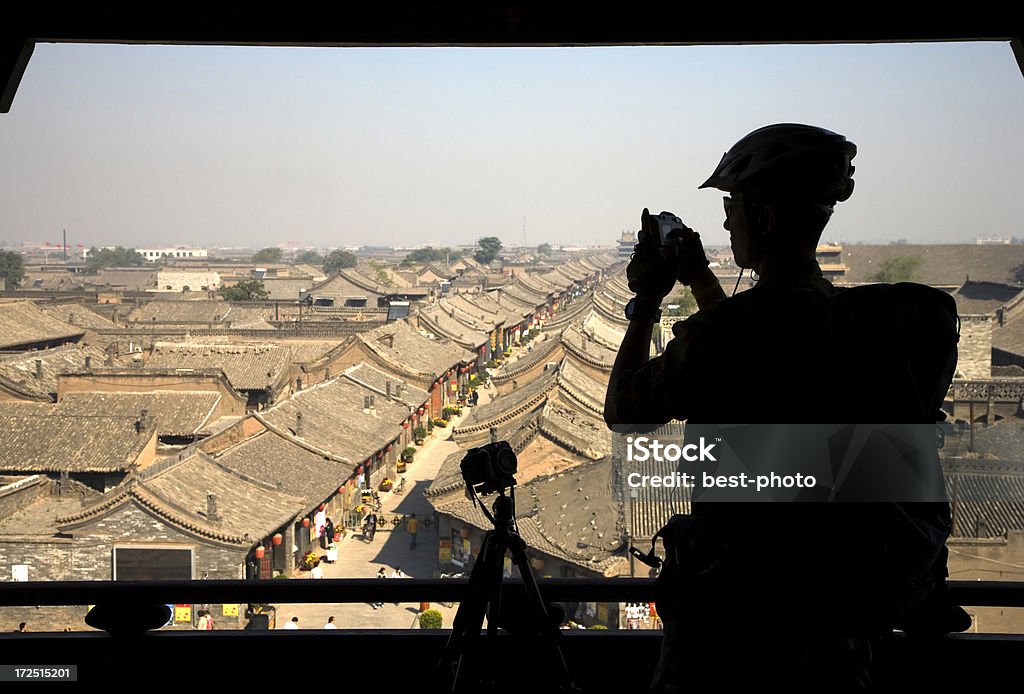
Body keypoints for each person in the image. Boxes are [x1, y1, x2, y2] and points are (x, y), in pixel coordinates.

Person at [604, 123, 967, 688]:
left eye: (733, 207)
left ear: (765, 219)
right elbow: (756, 348)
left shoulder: (731, 337)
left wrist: (647, 298)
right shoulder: (853, 325)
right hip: (835, 628)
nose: (726, 221)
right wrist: (700, 279)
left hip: (733, 631)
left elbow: (625, 411)